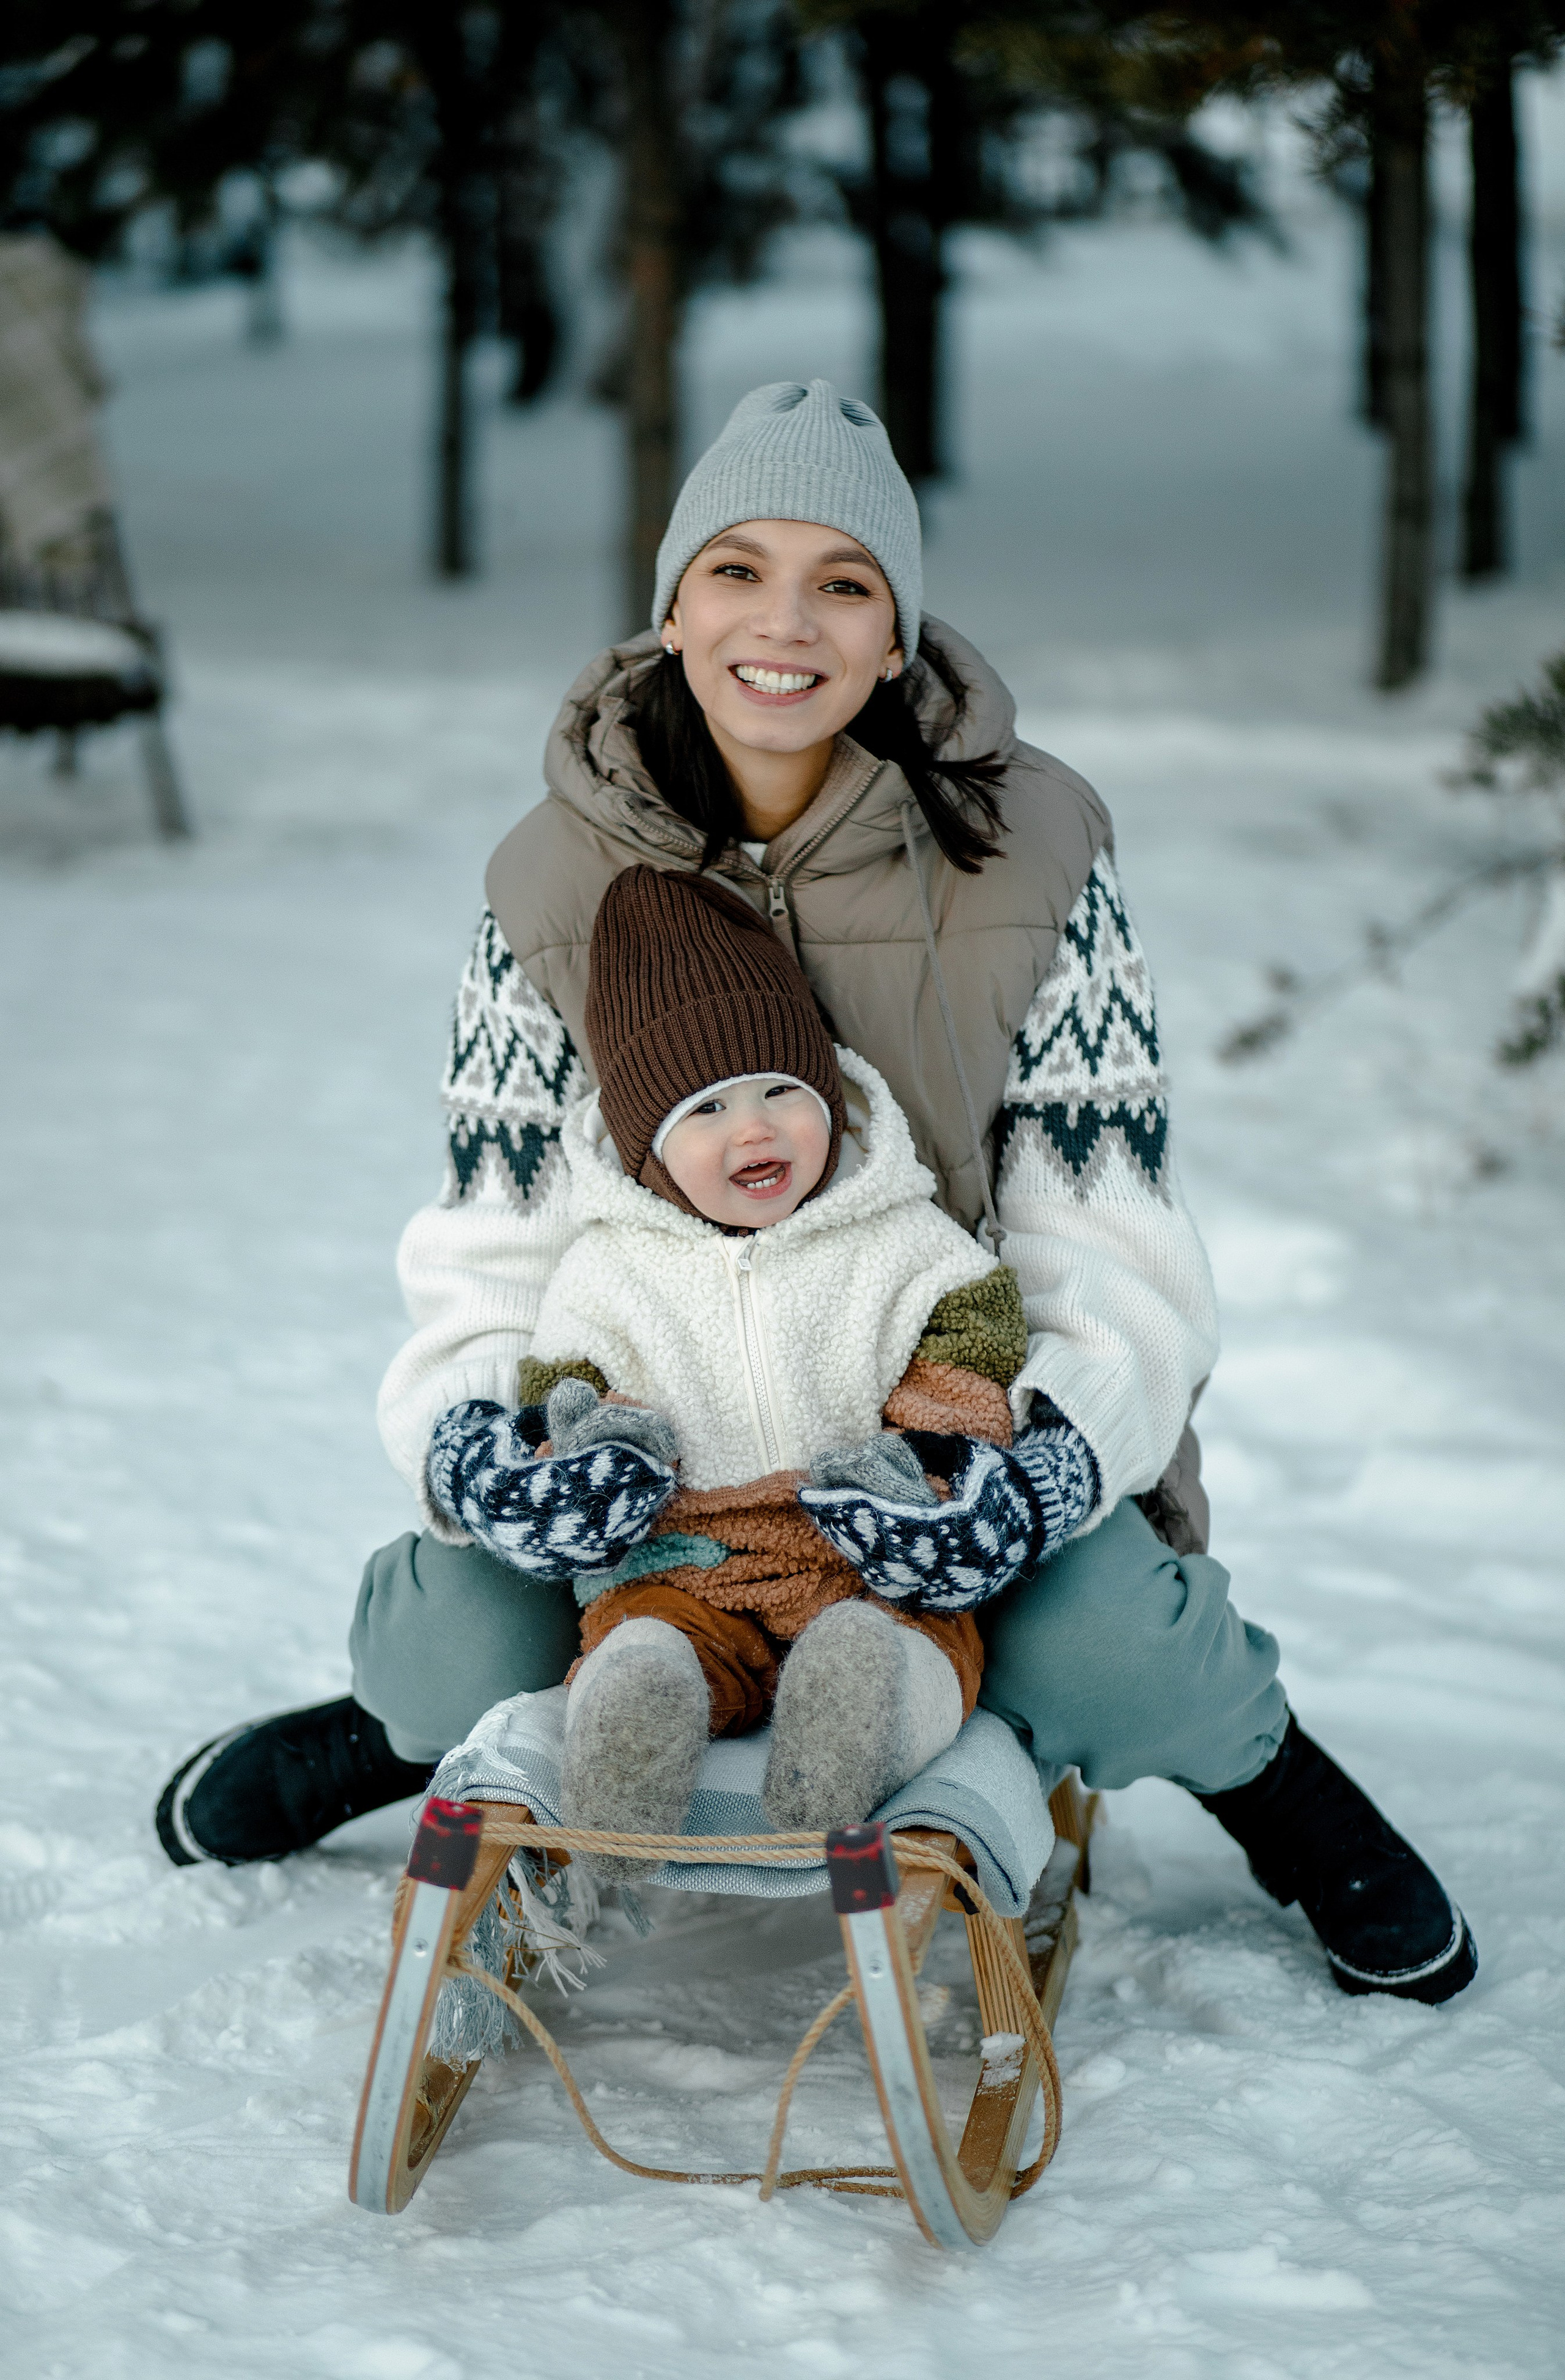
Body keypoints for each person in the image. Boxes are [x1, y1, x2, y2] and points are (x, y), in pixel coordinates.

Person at [156, 379, 1475, 2005]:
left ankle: (1272, 1778)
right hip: (662, 1470)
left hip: (933, 1446)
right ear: (671, 599)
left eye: (844, 580)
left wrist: (1039, 1460)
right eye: (736, 568)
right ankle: (392, 1731)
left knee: (1114, 1644)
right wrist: (488, 1443)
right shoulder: (547, 880)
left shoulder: (1033, 847)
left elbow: (1113, 1231)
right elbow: (495, 1242)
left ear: (897, 628)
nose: (783, 624)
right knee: (448, 1630)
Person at [443, 862, 1087, 1879]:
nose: (754, 1128)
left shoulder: (903, 1241)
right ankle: (635, 1727)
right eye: (704, 1111)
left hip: (868, 1561)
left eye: (783, 1090)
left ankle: (860, 1721)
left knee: (910, 1642)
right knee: (645, 1641)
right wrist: (598, 1461)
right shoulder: (610, 1272)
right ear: (648, 1148)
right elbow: (567, 1397)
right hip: (687, 1570)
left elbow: (967, 1357)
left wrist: (925, 1475)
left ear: (827, 1091)